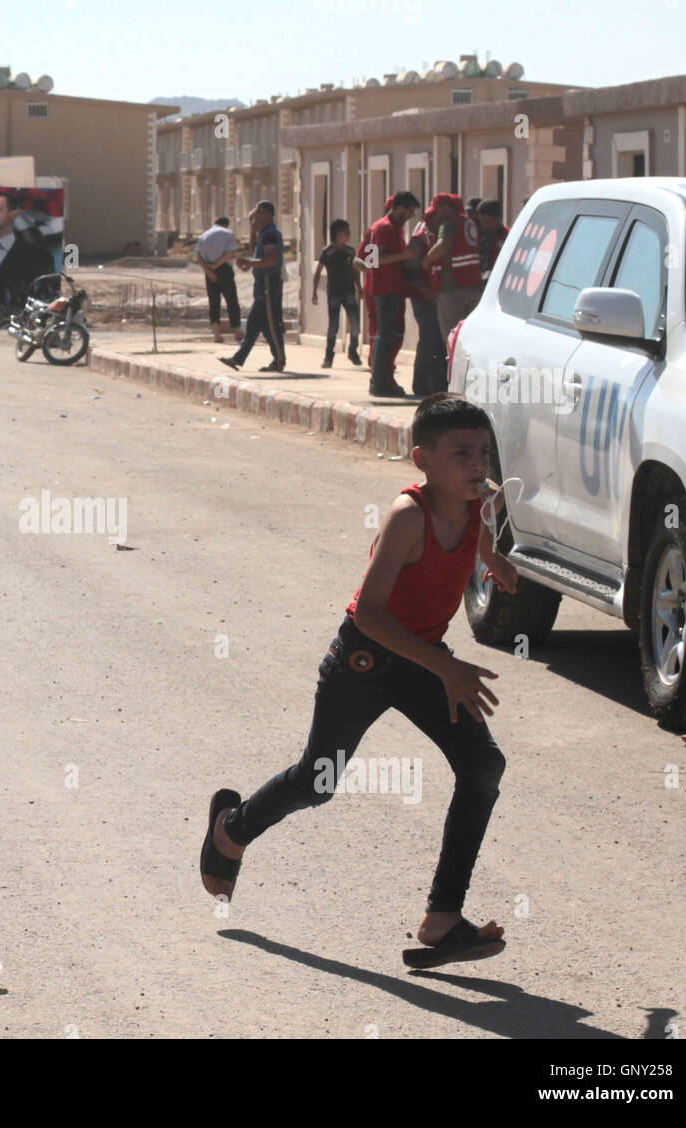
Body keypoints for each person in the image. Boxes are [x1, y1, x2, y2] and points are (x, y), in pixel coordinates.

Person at [200, 393, 517, 969]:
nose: (477, 464)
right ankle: (231, 829)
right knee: (317, 782)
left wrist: (493, 560)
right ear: (422, 459)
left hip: (422, 661)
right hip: (364, 662)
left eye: (484, 451)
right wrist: (446, 665)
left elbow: (479, 536)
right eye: (461, 452)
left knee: (482, 766)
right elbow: (369, 613)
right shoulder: (407, 516)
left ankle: (443, 917)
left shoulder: (481, 502)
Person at [359, 191, 421, 398]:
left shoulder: (394, 228)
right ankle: (378, 382)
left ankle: (385, 377)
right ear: (399, 208)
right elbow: (372, 261)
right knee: (385, 336)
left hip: (394, 288)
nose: (410, 215)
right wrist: (404, 255)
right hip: (384, 290)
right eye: (409, 211)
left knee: (392, 336)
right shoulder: (383, 228)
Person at [219, 200, 285, 373]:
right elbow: (255, 252)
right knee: (254, 324)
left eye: (261, 213)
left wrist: (250, 262)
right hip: (261, 282)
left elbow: (270, 259)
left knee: (271, 323)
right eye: (256, 213)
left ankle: (279, 360)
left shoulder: (271, 234)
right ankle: (238, 358)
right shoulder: (264, 233)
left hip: (269, 282)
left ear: (269, 214)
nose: (257, 216)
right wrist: (253, 232)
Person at [423, 193, 484, 345]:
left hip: (453, 288)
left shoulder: (449, 223)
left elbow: (442, 245)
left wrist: (426, 260)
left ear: (444, 208)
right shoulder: (468, 222)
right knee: (471, 339)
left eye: (437, 209)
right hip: (474, 286)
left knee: (452, 340)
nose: (436, 214)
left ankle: (454, 368)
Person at [405, 207, 448, 396]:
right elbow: (410, 273)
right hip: (420, 297)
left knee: (437, 340)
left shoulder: (440, 237)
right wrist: (425, 290)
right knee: (428, 338)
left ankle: (435, 383)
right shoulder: (418, 240)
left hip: (435, 296)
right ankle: (420, 385)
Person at [312, 219, 363, 368]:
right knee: (333, 325)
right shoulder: (327, 252)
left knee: (355, 323)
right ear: (337, 234)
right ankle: (329, 355)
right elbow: (318, 272)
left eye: (349, 232)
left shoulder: (350, 251)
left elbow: (355, 271)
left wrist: (359, 288)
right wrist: (314, 292)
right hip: (334, 292)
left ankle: (353, 350)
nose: (348, 235)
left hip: (349, 291)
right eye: (345, 232)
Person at [194, 216, 242, 344]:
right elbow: (230, 253)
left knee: (214, 302)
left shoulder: (203, 236)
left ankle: (217, 334)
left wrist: (209, 271)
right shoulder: (227, 233)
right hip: (223, 269)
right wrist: (217, 265)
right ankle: (237, 332)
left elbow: (198, 257)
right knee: (231, 300)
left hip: (209, 270)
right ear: (226, 224)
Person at [476, 200, 510, 283]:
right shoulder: (478, 235)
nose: (484, 225)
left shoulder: (508, 236)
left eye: (487, 222)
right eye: (482, 222)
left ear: (498, 218)